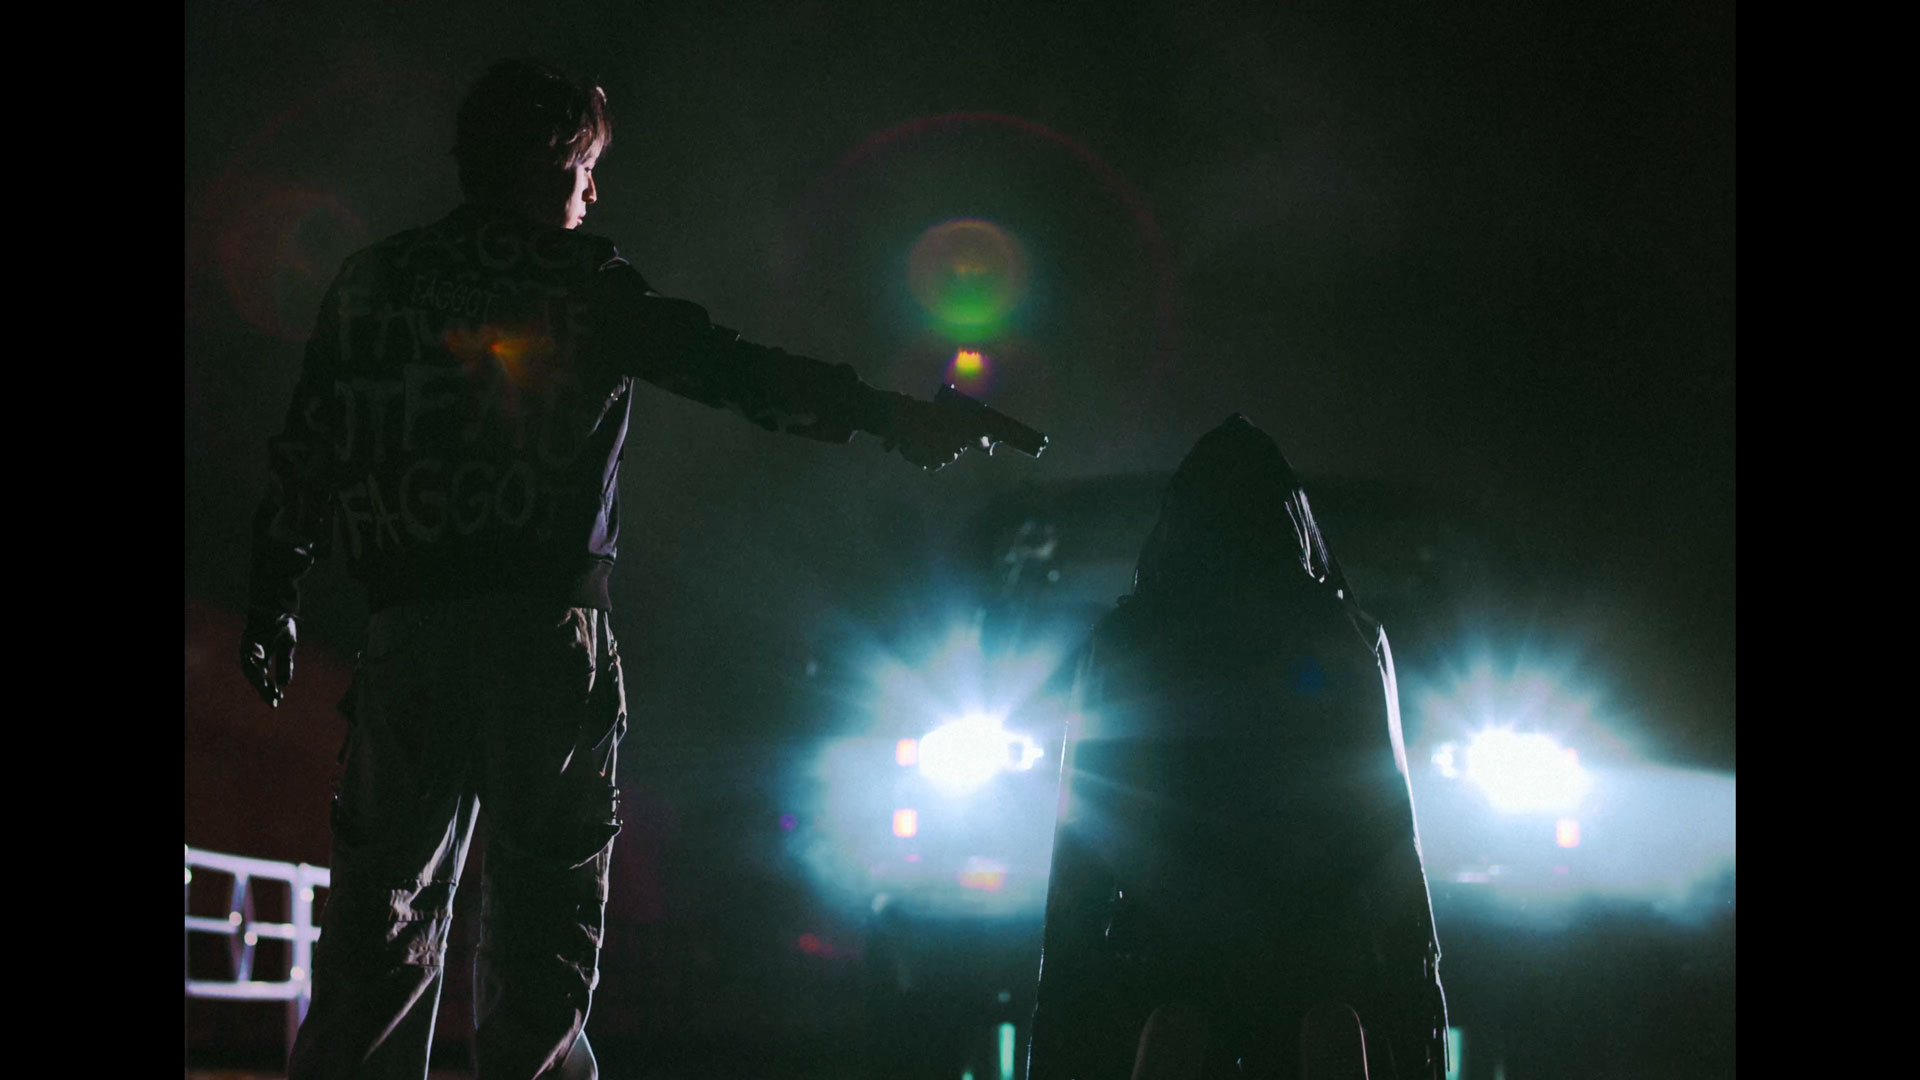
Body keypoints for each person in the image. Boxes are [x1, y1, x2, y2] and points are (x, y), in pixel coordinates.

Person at [239, 58, 1010, 1079]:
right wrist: (891, 416)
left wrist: (274, 593)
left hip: (409, 638)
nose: (593, 192)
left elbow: (306, 451)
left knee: (379, 933)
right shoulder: (581, 286)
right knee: (541, 942)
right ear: (548, 163)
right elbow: (735, 369)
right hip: (543, 641)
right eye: (586, 168)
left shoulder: (376, 284)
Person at [1025, 416, 1447, 1080]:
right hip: (1317, 967)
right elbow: (1389, 831)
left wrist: (1060, 1026)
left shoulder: (1126, 642)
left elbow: (1085, 837)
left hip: (1169, 964)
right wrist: (1416, 1008)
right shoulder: (1347, 637)